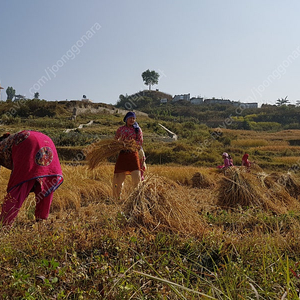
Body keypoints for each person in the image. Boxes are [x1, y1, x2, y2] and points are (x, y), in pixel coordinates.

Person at [0, 130, 64, 226]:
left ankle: (4, 223)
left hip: (28, 144)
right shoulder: (8, 141)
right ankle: (41, 219)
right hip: (47, 142)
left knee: (20, 185)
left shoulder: (2, 146)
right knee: (45, 181)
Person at [113, 111, 143, 199]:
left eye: (133, 118)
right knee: (118, 178)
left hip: (133, 154)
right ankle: (117, 197)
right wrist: (121, 144)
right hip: (123, 155)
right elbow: (115, 140)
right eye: (130, 118)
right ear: (126, 119)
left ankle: (136, 198)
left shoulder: (137, 129)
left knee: (136, 177)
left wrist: (131, 143)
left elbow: (140, 142)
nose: (132, 120)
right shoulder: (120, 129)